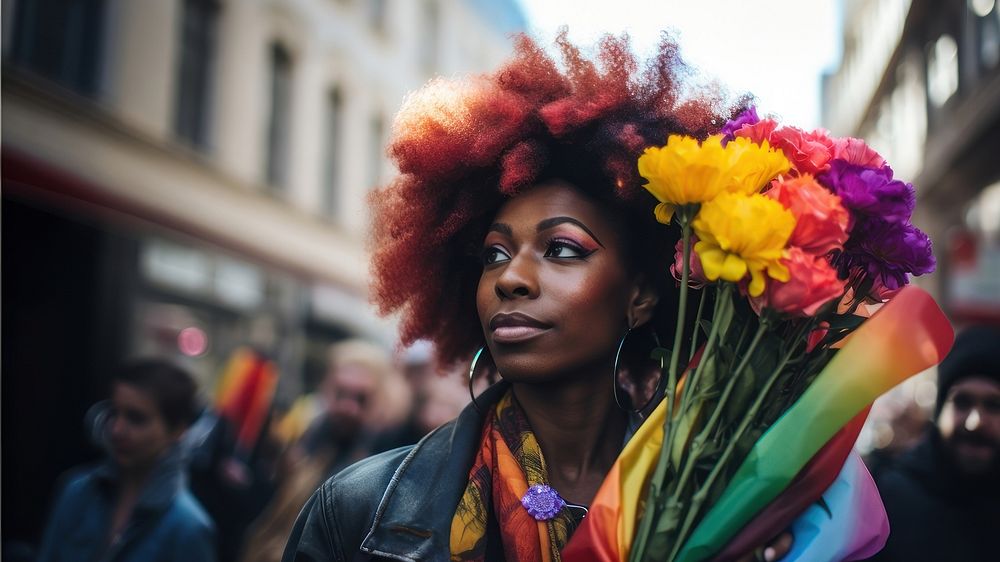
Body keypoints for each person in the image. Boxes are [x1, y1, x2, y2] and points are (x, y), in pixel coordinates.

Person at [283, 32, 792, 561]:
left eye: (563, 249)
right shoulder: (354, 512)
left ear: (640, 297)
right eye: (494, 255)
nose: (510, 279)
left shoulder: (724, 503)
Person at [37, 359, 216, 562]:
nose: (117, 429)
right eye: (114, 413)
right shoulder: (77, 490)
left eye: (136, 418)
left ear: (177, 430)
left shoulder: (187, 526)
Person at [869, 325, 1000, 561]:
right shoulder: (886, 502)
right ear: (940, 410)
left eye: (993, 405)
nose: (975, 422)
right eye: (962, 401)